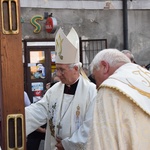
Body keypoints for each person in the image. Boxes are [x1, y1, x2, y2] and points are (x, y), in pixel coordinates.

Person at [25, 27, 97, 150]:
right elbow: (39, 110)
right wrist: (18, 118)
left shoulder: (92, 92)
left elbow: (91, 126)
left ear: (75, 69)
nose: (57, 74)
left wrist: (67, 144)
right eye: (56, 69)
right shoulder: (54, 90)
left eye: (61, 69)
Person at [86, 48, 150, 150]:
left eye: (94, 77)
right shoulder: (146, 76)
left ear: (104, 66)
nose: (96, 86)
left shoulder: (109, 90)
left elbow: (103, 142)